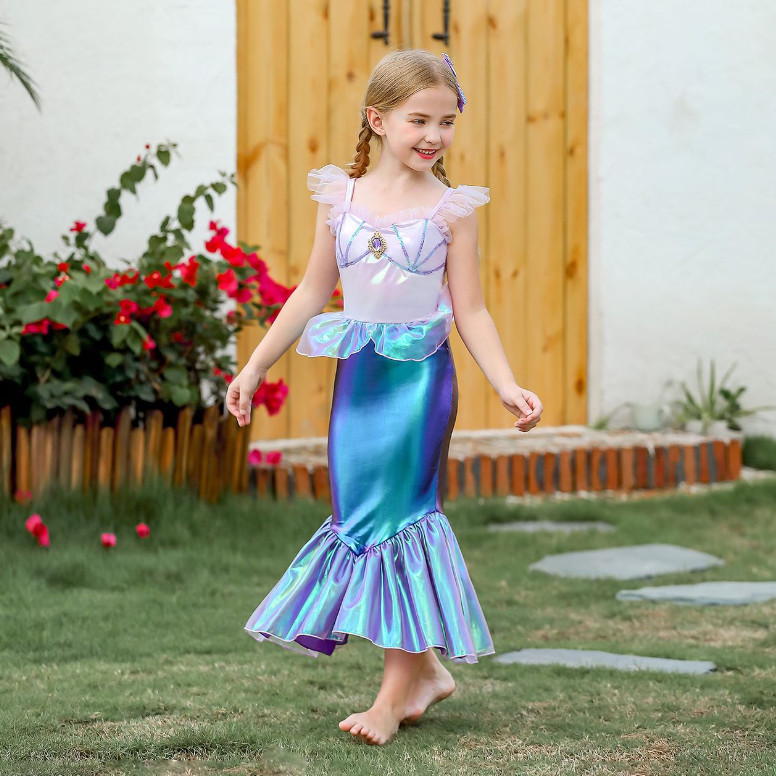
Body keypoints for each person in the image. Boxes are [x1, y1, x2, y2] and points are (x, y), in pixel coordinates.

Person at [226, 48, 543, 746]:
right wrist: (253, 367)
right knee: (360, 522)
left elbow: (471, 310)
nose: (434, 135)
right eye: (418, 120)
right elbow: (312, 292)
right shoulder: (339, 198)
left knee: (399, 522)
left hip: (420, 383)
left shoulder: (452, 210)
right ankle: (426, 672)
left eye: (447, 122)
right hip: (359, 382)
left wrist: (506, 383)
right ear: (378, 119)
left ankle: (392, 697)